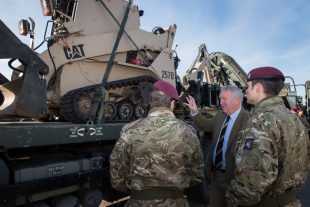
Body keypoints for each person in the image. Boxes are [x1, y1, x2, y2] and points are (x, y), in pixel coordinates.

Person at [109, 80, 204, 207]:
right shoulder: (188, 132)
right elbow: (197, 175)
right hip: (176, 202)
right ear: (172, 104)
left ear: (151, 103)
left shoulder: (129, 130)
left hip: (139, 202)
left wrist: (138, 191)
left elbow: (117, 177)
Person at [225, 66, 310, 207]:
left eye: (248, 86)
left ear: (258, 88)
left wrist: (233, 201)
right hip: (291, 201)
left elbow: (252, 181)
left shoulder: (260, 121)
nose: (245, 91)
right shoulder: (295, 119)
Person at [184, 85, 249, 207]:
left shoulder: (248, 120)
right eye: (220, 99)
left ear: (237, 100)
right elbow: (207, 125)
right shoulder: (220, 115)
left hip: (236, 176)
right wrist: (194, 112)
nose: (221, 102)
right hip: (217, 174)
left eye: (224, 99)